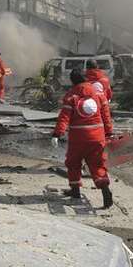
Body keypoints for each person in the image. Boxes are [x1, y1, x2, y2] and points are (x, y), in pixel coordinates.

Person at [52, 68, 114, 208]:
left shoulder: (71, 96)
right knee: (97, 164)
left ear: (72, 81)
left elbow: (64, 117)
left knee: (73, 163)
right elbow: (106, 115)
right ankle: (105, 190)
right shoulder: (98, 94)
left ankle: (75, 190)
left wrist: (57, 134)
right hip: (97, 137)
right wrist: (109, 133)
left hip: (78, 138)